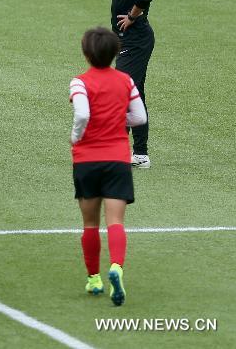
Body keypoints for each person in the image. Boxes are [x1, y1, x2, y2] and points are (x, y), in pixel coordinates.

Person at [69, 27, 146, 306]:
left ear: (87, 54)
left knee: (90, 223)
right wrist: (115, 119)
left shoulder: (80, 82)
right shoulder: (126, 81)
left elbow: (83, 113)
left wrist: (77, 136)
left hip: (87, 159)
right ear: (115, 53)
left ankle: (94, 279)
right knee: (116, 221)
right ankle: (116, 266)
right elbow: (139, 117)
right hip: (117, 159)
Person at [107, 0, 156, 169]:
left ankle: (128, 153)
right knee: (134, 92)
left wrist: (133, 16)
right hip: (129, 39)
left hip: (135, 39)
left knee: (123, 91)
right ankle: (139, 153)